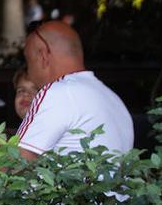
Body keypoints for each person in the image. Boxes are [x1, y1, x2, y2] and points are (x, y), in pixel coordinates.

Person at [17, 20, 133, 158]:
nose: (28, 71)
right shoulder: (113, 98)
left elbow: (13, 166)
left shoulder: (56, 93)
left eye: (29, 61)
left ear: (43, 56)